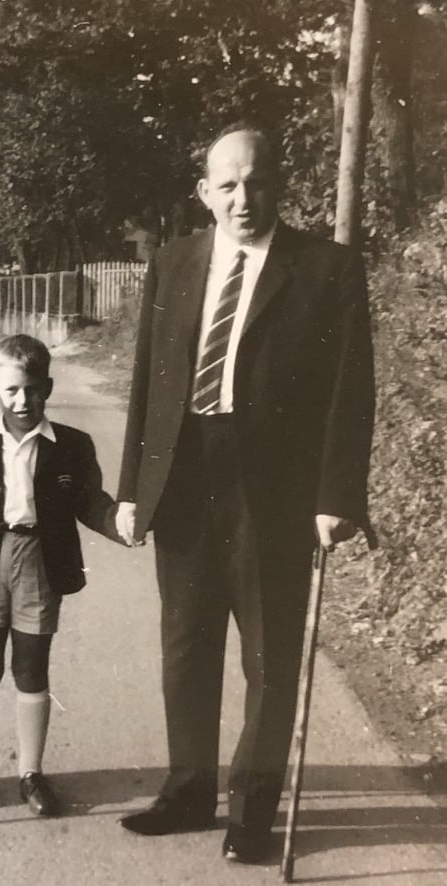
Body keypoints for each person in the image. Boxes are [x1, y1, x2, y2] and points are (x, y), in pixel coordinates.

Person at [114, 123, 374, 863]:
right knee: (186, 644)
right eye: (226, 184)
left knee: (270, 656)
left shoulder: (326, 269)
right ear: (204, 193)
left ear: (279, 185)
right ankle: (187, 789)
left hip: (277, 489)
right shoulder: (173, 263)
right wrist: (134, 486)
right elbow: (150, 383)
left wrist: (337, 496)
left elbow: (351, 395)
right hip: (187, 475)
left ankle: (252, 811)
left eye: (256, 182)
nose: (242, 198)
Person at [0, 334, 121, 818]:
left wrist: (120, 523)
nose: (22, 400)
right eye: (11, 390)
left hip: (40, 561)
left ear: (48, 388)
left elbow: (89, 501)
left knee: (32, 671)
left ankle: (31, 773)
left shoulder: (72, 446)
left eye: (32, 390)